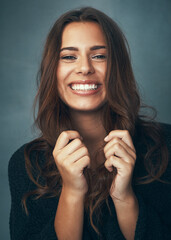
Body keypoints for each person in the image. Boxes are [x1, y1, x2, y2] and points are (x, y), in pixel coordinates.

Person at [8, 7, 171, 240]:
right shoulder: (25, 164)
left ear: (118, 67)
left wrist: (124, 197)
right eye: (69, 56)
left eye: (99, 55)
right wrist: (72, 193)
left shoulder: (167, 146)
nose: (85, 68)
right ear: (52, 71)